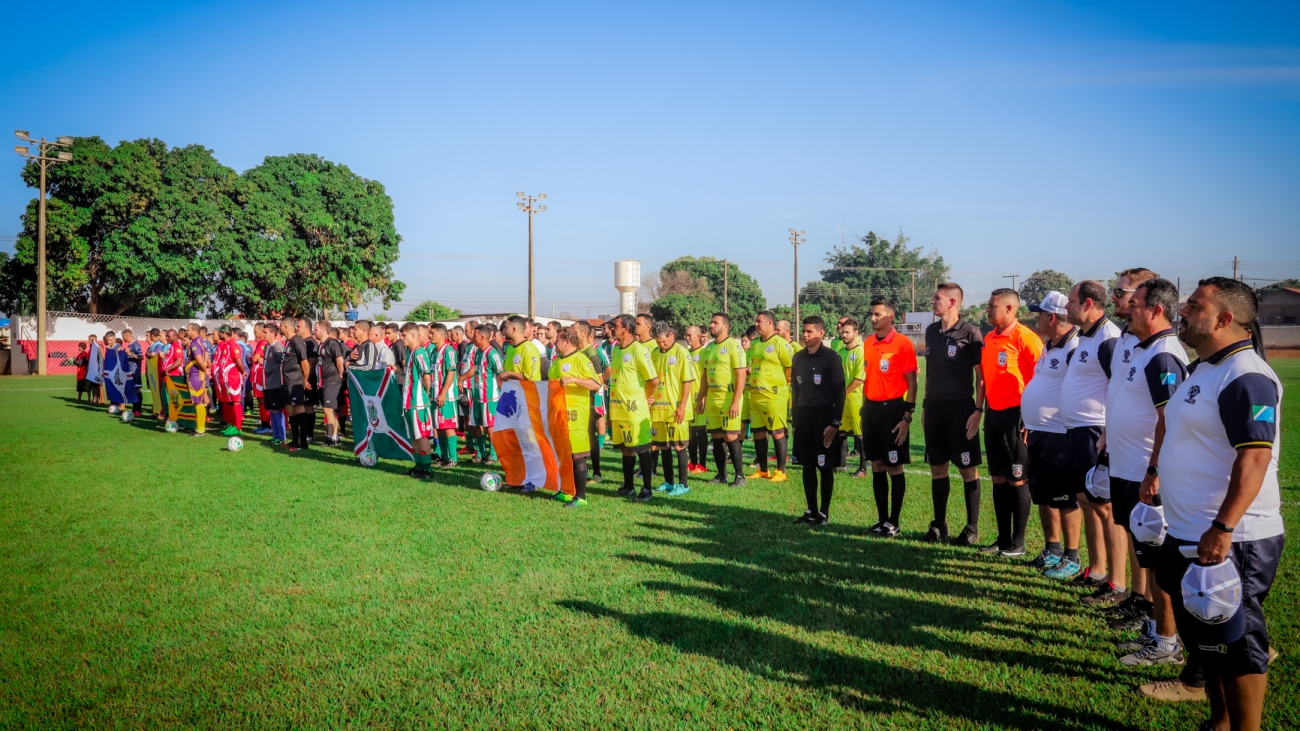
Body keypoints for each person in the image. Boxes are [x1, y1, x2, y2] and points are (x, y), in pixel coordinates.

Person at [1150, 277, 1283, 730]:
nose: (1182, 311)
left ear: (1224, 319)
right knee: (1211, 643)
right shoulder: (1205, 367)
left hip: (1232, 539)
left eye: (1193, 305)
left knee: (1238, 644)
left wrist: (1223, 527)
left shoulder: (1244, 374)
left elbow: (1255, 456)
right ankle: (1219, 722)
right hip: (1189, 532)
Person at [1098, 278, 1192, 669]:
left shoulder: (1164, 355)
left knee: (1159, 562)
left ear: (1156, 310)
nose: (1126, 307)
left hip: (1144, 473)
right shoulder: (1141, 348)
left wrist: (1153, 471)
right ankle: (1156, 629)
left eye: (1134, 302)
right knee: (1148, 558)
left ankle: (1166, 642)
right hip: (1127, 467)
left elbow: (1170, 419)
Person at [1057, 281, 1123, 590]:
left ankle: (1115, 580)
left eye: (1070, 301)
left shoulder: (1109, 338)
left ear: (1087, 303)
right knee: (1086, 500)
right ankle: (1096, 569)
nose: (1066, 307)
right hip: (1076, 431)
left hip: (1094, 431)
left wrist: (1108, 433)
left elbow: (1119, 388)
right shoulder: (1086, 338)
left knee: (1103, 506)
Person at [1019, 292, 1082, 577]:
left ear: (1052, 317)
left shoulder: (1075, 348)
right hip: (1038, 432)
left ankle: (1071, 556)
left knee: (1065, 498)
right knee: (1043, 496)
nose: (1037, 318)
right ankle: (1052, 549)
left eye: (1040, 313)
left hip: (1060, 434)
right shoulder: (1049, 346)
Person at [979, 288, 1043, 557]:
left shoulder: (1026, 338)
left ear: (1009, 309)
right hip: (994, 414)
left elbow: (1044, 379)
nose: (988, 309)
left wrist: (1032, 417)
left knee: (1018, 478)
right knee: (998, 477)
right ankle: (1002, 539)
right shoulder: (990, 338)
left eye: (993, 305)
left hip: (1018, 415)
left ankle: (1018, 542)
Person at [923, 282, 986, 546]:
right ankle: (939, 525)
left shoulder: (971, 333)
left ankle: (971, 529)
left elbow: (981, 378)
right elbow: (930, 373)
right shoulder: (931, 331)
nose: (933, 301)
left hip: (961, 409)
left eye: (937, 298)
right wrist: (925, 406)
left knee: (967, 469)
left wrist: (977, 411)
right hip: (935, 408)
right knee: (938, 468)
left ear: (953, 302)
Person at [860, 297, 918, 538]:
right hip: (871, 410)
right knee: (877, 465)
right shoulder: (868, 343)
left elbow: (912, 383)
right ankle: (882, 519)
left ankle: (894, 522)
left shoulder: (903, 343)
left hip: (894, 410)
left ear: (890, 316)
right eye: (872, 314)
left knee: (894, 465)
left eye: (878, 314)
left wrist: (907, 416)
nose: (873, 318)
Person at [791, 316, 846, 525]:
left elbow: (840, 391)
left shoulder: (831, 358)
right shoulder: (798, 358)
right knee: (807, 465)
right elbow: (795, 392)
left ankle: (823, 512)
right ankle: (811, 509)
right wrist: (795, 421)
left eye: (809, 332)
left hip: (824, 416)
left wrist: (835, 422)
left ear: (821, 333)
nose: (805, 335)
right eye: (803, 331)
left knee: (824, 465)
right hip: (804, 416)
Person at [603, 314, 660, 501]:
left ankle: (647, 489)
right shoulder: (617, 349)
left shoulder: (638, 350)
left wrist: (646, 397)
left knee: (642, 448)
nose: (612, 329)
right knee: (625, 449)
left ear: (625, 328)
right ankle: (628, 486)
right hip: (619, 409)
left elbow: (654, 380)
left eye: (615, 326)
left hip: (635, 410)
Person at [549, 327, 602, 507]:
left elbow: (596, 384)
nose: (555, 343)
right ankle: (566, 491)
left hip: (576, 416)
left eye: (558, 340)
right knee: (564, 455)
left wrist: (573, 380)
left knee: (578, 455)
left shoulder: (581, 359)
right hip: (558, 415)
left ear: (566, 341)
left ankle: (581, 497)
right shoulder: (557, 361)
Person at [698, 313, 748, 487]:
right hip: (712, 397)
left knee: (730, 436)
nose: (711, 325)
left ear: (725, 327)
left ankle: (740, 476)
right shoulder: (708, 348)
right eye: (711, 322)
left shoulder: (734, 346)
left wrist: (735, 401)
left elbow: (741, 375)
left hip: (729, 397)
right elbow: (704, 376)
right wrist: (701, 397)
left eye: (715, 323)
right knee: (717, 436)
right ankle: (721, 475)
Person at [745, 311, 794, 482]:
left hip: (774, 396)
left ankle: (781, 471)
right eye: (756, 321)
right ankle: (763, 469)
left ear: (770, 323)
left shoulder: (780, 343)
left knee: (777, 432)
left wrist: (783, 386)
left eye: (759, 321)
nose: (756, 324)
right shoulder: (755, 343)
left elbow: (790, 366)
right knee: (758, 433)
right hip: (755, 394)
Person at [649, 321, 696, 496]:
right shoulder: (654, 354)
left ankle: (683, 484)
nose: (661, 344)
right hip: (659, 409)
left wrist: (682, 406)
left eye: (663, 341)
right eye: (658, 341)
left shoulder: (681, 353)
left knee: (678, 446)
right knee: (664, 446)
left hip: (676, 409)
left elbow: (687, 382)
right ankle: (669, 482)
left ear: (671, 336)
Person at [397, 322, 436, 478]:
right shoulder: (410, 352)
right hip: (409, 402)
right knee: (413, 435)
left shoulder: (420, 353)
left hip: (418, 403)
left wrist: (426, 394)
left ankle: (427, 469)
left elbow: (427, 376)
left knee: (422, 435)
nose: (401, 338)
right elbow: (411, 375)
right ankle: (418, 465)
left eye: (404, 335)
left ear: (413, 335)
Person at [576, 320, 610, 482]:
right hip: (579, 399)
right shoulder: (577, 351)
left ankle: (597, 473)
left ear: (583, 333)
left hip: (590, 399)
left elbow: (598, 380)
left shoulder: (592, 353)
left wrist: (597, 401)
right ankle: (585, 470)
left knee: (590, 434)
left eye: (574, 330)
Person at [466, 322, 505, 464]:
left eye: (475, 336)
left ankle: (493, 455)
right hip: (476, 396)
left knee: (490, 428)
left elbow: (500, 375)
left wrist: (502, 395)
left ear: (482, 337)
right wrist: (462, 377)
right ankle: (482, 454)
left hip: (489, 398)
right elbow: (475, 369)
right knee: (474, 426)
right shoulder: (477, 352)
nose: (472, 338)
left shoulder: (493, 354)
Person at [836, 318, 867, 477]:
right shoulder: (841, 352)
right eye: (842, 332)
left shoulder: (861, 351)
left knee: (859, 432)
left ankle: (863, 467)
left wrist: (842, 393)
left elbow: (859, 378)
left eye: (847, 332)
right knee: (841, 430)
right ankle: (841, 465)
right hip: (843, 398)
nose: (844, 335)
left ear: (856, 333)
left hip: (856, 398)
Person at [427, 323, 460, 467]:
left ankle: (453, 458)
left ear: (441, 335)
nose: (430, 336)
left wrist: (443, 393)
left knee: (448, 427)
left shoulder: (449, 351)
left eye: (432, 333)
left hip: (446, 396)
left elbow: (451, 373)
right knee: (439, 427)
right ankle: (444, 457)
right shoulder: (434, 352)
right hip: (435, 395)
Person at [315, 321, 347, 446]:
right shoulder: (321, 345)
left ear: (323, 330)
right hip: (324, 382)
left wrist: (339, 375)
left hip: (332, 382)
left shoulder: (332, 343)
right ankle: (335, 437)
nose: (314, 331)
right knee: (331, 411)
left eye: (316, 329)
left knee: (328, 410)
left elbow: (339, 361)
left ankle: (331, 438)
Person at [684, 325, 710, 474]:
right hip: (688, 398)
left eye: (690, 335)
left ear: (699, 336)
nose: (687, 338)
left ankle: (703, 464)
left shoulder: (704, 352)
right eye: (686, 335)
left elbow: (705, 376)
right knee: (691, 432)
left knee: (701, 432)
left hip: (699, 397)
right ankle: (692, 462)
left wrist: (703, 397)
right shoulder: (687, 353)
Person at [213, 325, 248, 436]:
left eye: (219, 332)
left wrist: (242, 372)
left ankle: (238, 427)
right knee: (230, 402)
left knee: (235, 401)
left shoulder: (233, 344)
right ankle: (232, 424)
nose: (218, 334)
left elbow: (238, 361)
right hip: (226, 378)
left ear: (223, 333)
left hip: (233, 378)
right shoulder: (226, 344)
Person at [184, 323, 211, 437]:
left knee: (198, 403)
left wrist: (205, 370)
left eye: (188, 330)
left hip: (196, 376)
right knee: (199, 402)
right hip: (198, 375)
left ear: (194, 331)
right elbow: (207, 358)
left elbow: (199, 359)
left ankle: (201, 430)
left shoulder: (195, 343)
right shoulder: (201, 342)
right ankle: (199, 428)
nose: (186, 332)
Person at [502, 316, 542, 382]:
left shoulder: (529, 350)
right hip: (512, 391)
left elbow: (531, 377)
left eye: (506, 327)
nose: (504, 331)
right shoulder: (509, 348)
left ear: (514, 329)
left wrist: (509, 374)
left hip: (526, 392)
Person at [86, 333, 104, 405]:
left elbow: (102, 357)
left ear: (94, 340)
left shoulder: (99, 347)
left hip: (97, 370)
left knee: (98, 385)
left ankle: (101, 400)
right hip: (92, 370)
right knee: (93, 385)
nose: (88, 341)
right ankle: (95, 399)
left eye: (90, 339)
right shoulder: (91, 348)